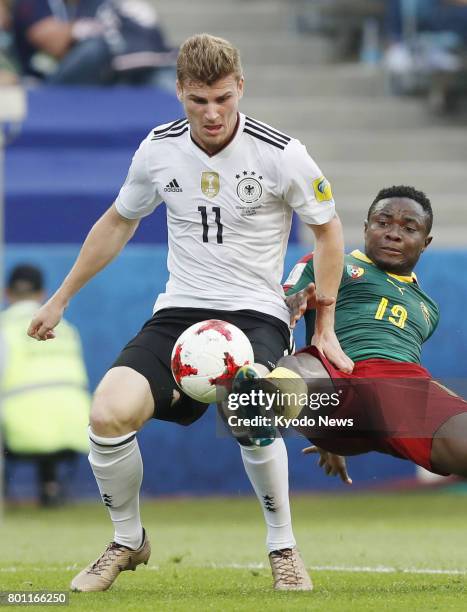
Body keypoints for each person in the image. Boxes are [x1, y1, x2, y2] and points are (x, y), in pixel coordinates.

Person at [27, 33, 351, 592]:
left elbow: (328, 231)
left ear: (240, 88)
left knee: (253, 407)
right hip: (179, 312)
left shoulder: (281, 153)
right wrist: (60, 298)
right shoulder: (157, 149)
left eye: (223, 98)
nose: (212, 112)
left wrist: (323, 325)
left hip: (254, 315)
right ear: (180, 91)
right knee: (107, 414)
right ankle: (128, 540)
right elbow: (118, 221)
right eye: (199, 100)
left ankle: (284, 548)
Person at [248, 185, 467, 486]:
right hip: (339, 380)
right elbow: (281, 304)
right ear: (366, 228)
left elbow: (419, 382)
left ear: (425, 242)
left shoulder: (428, 309)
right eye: (383, 222)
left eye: (408, 227)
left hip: (400, 393)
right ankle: (266, 404)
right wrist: (294, 300)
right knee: (296, 366)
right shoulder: (331, 262)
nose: (393, 233)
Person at [1, 264, 90, 506]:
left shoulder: (4, 327)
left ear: (6, 292)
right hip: (76, 431)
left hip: (21, 436)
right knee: (46, 403)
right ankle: (49, 486)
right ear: (42, 294)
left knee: (25, 408)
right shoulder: (69, 330)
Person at [11, 0, 175, 86]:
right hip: (48, 83)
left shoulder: (96, 4)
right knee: (96, 48)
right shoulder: (33, 2)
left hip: (104, 77)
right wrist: (79, 29)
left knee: (165, 75)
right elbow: (50, 41)